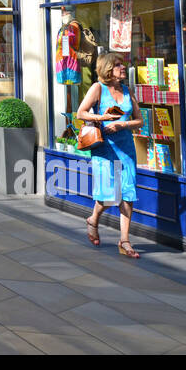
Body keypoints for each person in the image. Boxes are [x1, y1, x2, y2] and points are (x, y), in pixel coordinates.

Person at [76, 52, 142, 258]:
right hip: (104, 148)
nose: (123, 68)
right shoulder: (98, 88)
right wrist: (102, 117)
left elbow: (139, 120)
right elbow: (81, 113)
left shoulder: (127, 90)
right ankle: (93, 219)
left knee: (128, 193)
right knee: (109, 195)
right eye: (118, 65)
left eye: (123, 64)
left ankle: (124, 241)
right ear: (107, 69)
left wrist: (123, 123)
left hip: (126, 148)